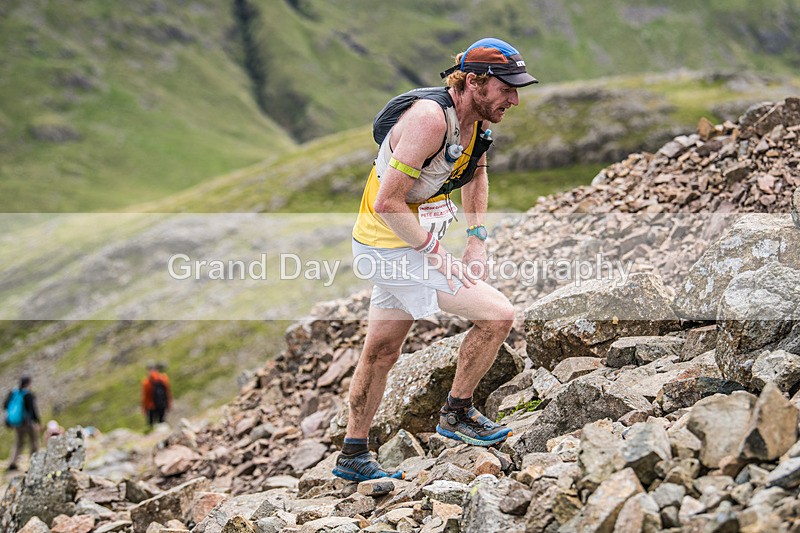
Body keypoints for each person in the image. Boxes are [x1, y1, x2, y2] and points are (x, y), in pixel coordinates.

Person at [334, 38, 538, 482]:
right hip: (389, 246)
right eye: (507, 88)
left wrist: (478, 239)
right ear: (474, 81)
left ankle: (352, 453)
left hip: (403, 243)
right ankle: (457, 411)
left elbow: (476, 172)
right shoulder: (430, 120)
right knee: (498, 316)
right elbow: (388, 202)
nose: (515, 99)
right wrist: (438, 255)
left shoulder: (478, 124)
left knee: (382, 350)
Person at [3, 375, 41, 471]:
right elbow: (32, 410)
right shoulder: (27, 395)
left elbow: (5, 405)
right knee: (34, 442)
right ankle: (33, 462)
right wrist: (37, 421)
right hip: (27, 423)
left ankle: (13, 462)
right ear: (27, 383)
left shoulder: (13, 393)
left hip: (17, 424)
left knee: (18, 443)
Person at [141, 363, 172, 427]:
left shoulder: (146, 382)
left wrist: (144, 408)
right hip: (162, 404)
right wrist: (168, 403)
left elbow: (145, 396)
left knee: (151, 424)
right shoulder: (164, 378)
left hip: (151, 406)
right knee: (162, 422)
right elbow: (167, 392)